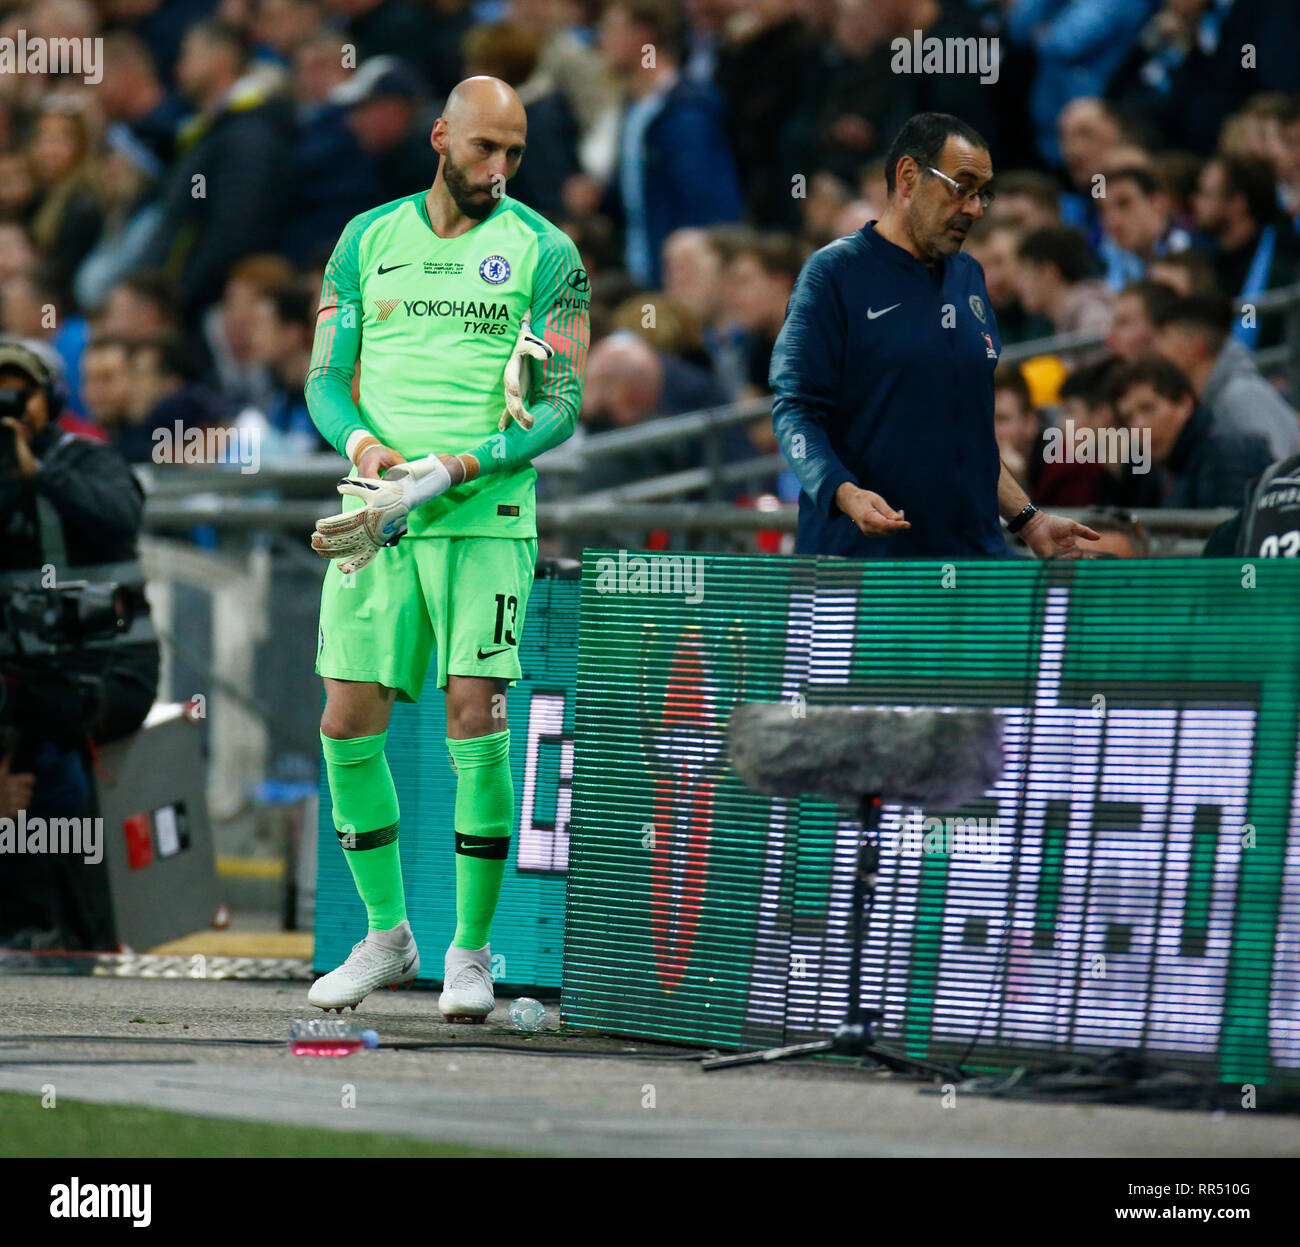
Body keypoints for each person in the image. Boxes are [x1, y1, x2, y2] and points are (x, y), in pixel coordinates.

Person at [305, 76, 589, 1022]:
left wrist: (461, 463)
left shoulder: (547, 251)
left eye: (514, 152)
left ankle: (470, 952)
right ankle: (388, 935)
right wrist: (371, 454)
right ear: (440, 138)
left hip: (481, 513)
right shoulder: (364, 240)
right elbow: (325, 380)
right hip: (378, 509)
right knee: (347, 721)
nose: (499, 170)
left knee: (476, 713)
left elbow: (561, 406)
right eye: (484, 150)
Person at [770, 112, 1099, 560]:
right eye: (963, 187)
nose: (976, 209)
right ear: (908, 177)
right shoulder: (833, 274)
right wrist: (845, 493)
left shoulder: (970, 277)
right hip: (859, 567)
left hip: (971, 563)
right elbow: (794, 412)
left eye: (983, 195)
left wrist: (1030, 520)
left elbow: (971, 433)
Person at [1110, 354, 1272, 508]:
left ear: (1184, 405)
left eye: (1149, 409)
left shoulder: (1229, 454)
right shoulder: (1164, 470)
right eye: (1129, 418)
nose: (1138, 427)